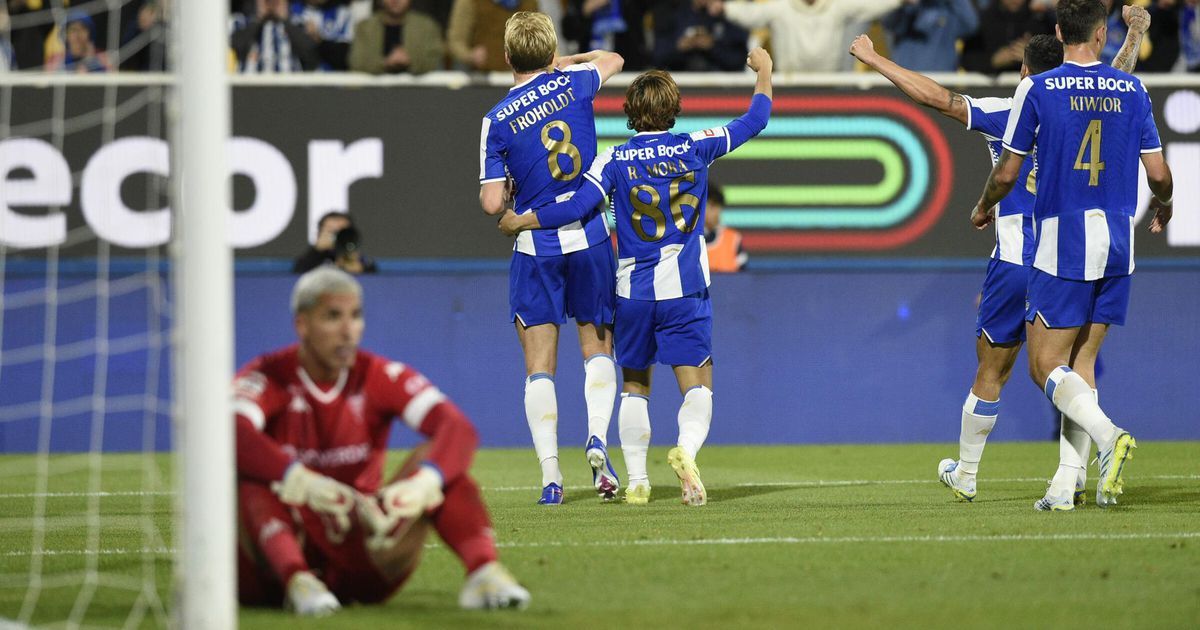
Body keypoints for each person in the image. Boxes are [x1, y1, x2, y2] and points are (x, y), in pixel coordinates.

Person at [850, 7, 1150, 505]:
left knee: (993, 371)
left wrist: (876, 60)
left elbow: (938, 98)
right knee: (1077, 365)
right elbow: (1117, 79)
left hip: (1016, 260)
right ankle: (1068, 479)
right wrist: (1136, 33)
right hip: (1073, 258)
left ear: (1026, 72)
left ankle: (969, 472)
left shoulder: (1011, 109)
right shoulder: (1090, 101)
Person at [499, 49, 774, 506]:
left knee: (634, 386)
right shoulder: (696, 146)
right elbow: (756, 119)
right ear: (674, 108)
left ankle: (639, 481)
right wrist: (764, 70)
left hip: (632, 292)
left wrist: (524, 219)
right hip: (686, 289)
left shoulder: (612, 161)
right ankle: (685, 450)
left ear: (630, 112)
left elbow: (576, 206)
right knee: (698, 385)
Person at [970, 0, 1173, 511]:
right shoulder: (1132, 88)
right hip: (1119, 244)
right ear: (1102, 32)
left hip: (1063, 241)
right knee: (1082, 364)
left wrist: (982, 206)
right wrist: (1166, 207)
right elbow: (1159, 176)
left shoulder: (1036, 88)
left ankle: (1108, 437)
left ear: (1059, 31)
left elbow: (1007, 173)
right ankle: (1066, 486)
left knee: (1045, 367)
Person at [235, 267, 530, 615]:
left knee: (437, 461)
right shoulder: (270, 374)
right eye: (333, 317)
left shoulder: (376, 374)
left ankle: (484, 573)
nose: (348, 331)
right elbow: (231, 431)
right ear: (302, 325)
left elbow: (457, 428)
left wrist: (424, 483)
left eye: (356, 316)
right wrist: (299, 480)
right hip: (272, 569)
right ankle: (298, 579)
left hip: (362, 548)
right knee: (251, 476)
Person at [478, 12, 625, 505]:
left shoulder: (496, 120)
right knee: (597, 350)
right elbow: (615, 58)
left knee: (539, 366)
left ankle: (551, 478)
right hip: (590, 239)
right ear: (551, 51)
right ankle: (600, 446)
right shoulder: (577, 80)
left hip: (535, 247)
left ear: (506, 58)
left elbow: (492, 203)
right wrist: (568, 62)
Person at [701, 0, 901, 73]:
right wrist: (725, 8)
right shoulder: (782, 7)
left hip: (830, 86)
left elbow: (870, 4)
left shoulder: (837, 6)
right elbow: (752, 14)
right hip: (790, 86)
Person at [348, 0, 445, 74]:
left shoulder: (426, 26)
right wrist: (385, 63)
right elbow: (356, 62)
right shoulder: (365, 27)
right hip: (371, 94)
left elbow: (435, 61)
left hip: (418, 93)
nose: (395, 0)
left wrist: (409, 63)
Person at [881, 0, 979, 72]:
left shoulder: (948, 10)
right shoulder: (907, 10)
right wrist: (901, 2)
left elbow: (971, 26)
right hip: (906, 81)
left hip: (943, 82)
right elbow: (889, 23)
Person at [448, 0, 539, 72]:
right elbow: (456, 40)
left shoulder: (529, 3)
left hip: (520, 74)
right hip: (480, 76)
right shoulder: (470, 2)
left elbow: (539, 39)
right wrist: (470, 55)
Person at [292, 212, 378, 274]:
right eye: (331, 231)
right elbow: (297, 275)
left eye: (341, 231)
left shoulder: (359, 258)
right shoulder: (312, 259)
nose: (337, 236)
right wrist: (316, 250)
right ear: (320, 233)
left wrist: (358, 268)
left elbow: (374, 276)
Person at [703, 182, 747, 273]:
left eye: (719, 207)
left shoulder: (733, 238)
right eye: (712, 206)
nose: (717, 212)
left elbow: (744, 279)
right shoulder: (684, 239)